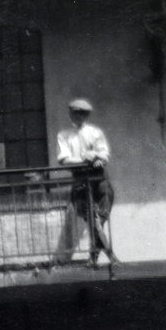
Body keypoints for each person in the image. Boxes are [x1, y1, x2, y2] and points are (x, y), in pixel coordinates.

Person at [56, 98, 116, 265]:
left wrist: (98, 158)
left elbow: (104, 155)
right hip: (80, 181)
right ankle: (107, 257)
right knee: (91, 220)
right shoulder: (64, 135)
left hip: (99, 180)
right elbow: (64, 160)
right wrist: (85, 159)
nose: (78, 116)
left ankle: (94, 257)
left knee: (99, 219)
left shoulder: (95, 133)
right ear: (70, 114)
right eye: (75, 113)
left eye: (82, 113)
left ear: (87, 115)